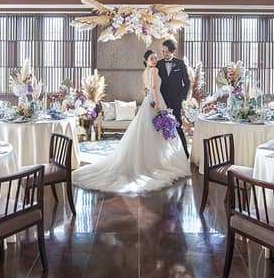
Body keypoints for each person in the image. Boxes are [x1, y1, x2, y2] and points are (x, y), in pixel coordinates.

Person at [72, 50, 190, 194]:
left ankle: (151, 160)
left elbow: (146, 89)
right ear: (146, 60)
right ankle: (154, 163)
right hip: (156, 101)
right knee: (157, 132)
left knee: (151, 132)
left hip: (149, 102)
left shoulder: (144, 72)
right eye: (152, 58)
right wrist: (158, 104)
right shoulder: (154, 70)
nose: (154, 60)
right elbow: (153, 88)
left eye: (155, 58)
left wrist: (151, 98)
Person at [156, 39, 190, 158]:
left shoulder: (180, 64)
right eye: (163, 51)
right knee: (161, 128)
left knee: (178, 126)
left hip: (176, 102)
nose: (164, 54)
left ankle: (185, 154)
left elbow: (187, 82)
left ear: (172, 51)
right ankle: (163, 156)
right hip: (162, 101)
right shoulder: (158, 64)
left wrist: (182, 98)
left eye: (166, 51)